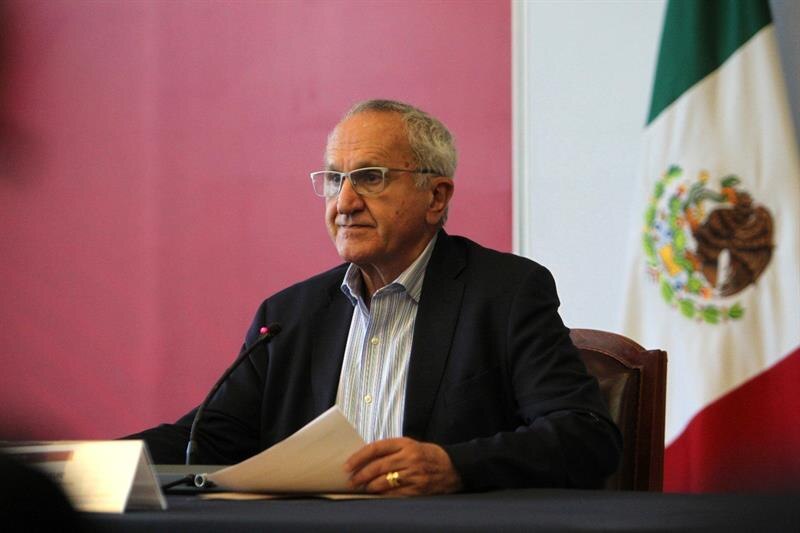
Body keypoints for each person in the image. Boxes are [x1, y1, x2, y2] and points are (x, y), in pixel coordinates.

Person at [127, 99, 621, 495]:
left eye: (370, 177)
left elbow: (584, 436)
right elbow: (209, 439)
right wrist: (88, 461)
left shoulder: (506, 293)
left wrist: (454, 465)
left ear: (436, 197)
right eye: (335, 180)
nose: (343, 202)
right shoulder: (289, 315)